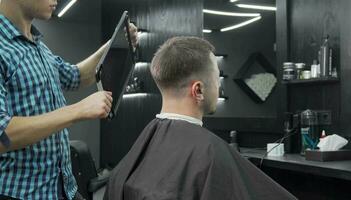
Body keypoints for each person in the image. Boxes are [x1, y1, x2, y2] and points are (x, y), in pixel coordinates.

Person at [104, 37, 296, 200]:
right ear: (198, 90)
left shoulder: (147, 138)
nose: (219, 88)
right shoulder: (210, 153)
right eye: (217, 78)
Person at [0, 0, 138, 199]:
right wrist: (77, 111)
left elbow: (76, 76)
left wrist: (113, 45)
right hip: (22, 194)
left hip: (65, 189)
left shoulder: (38, 46)